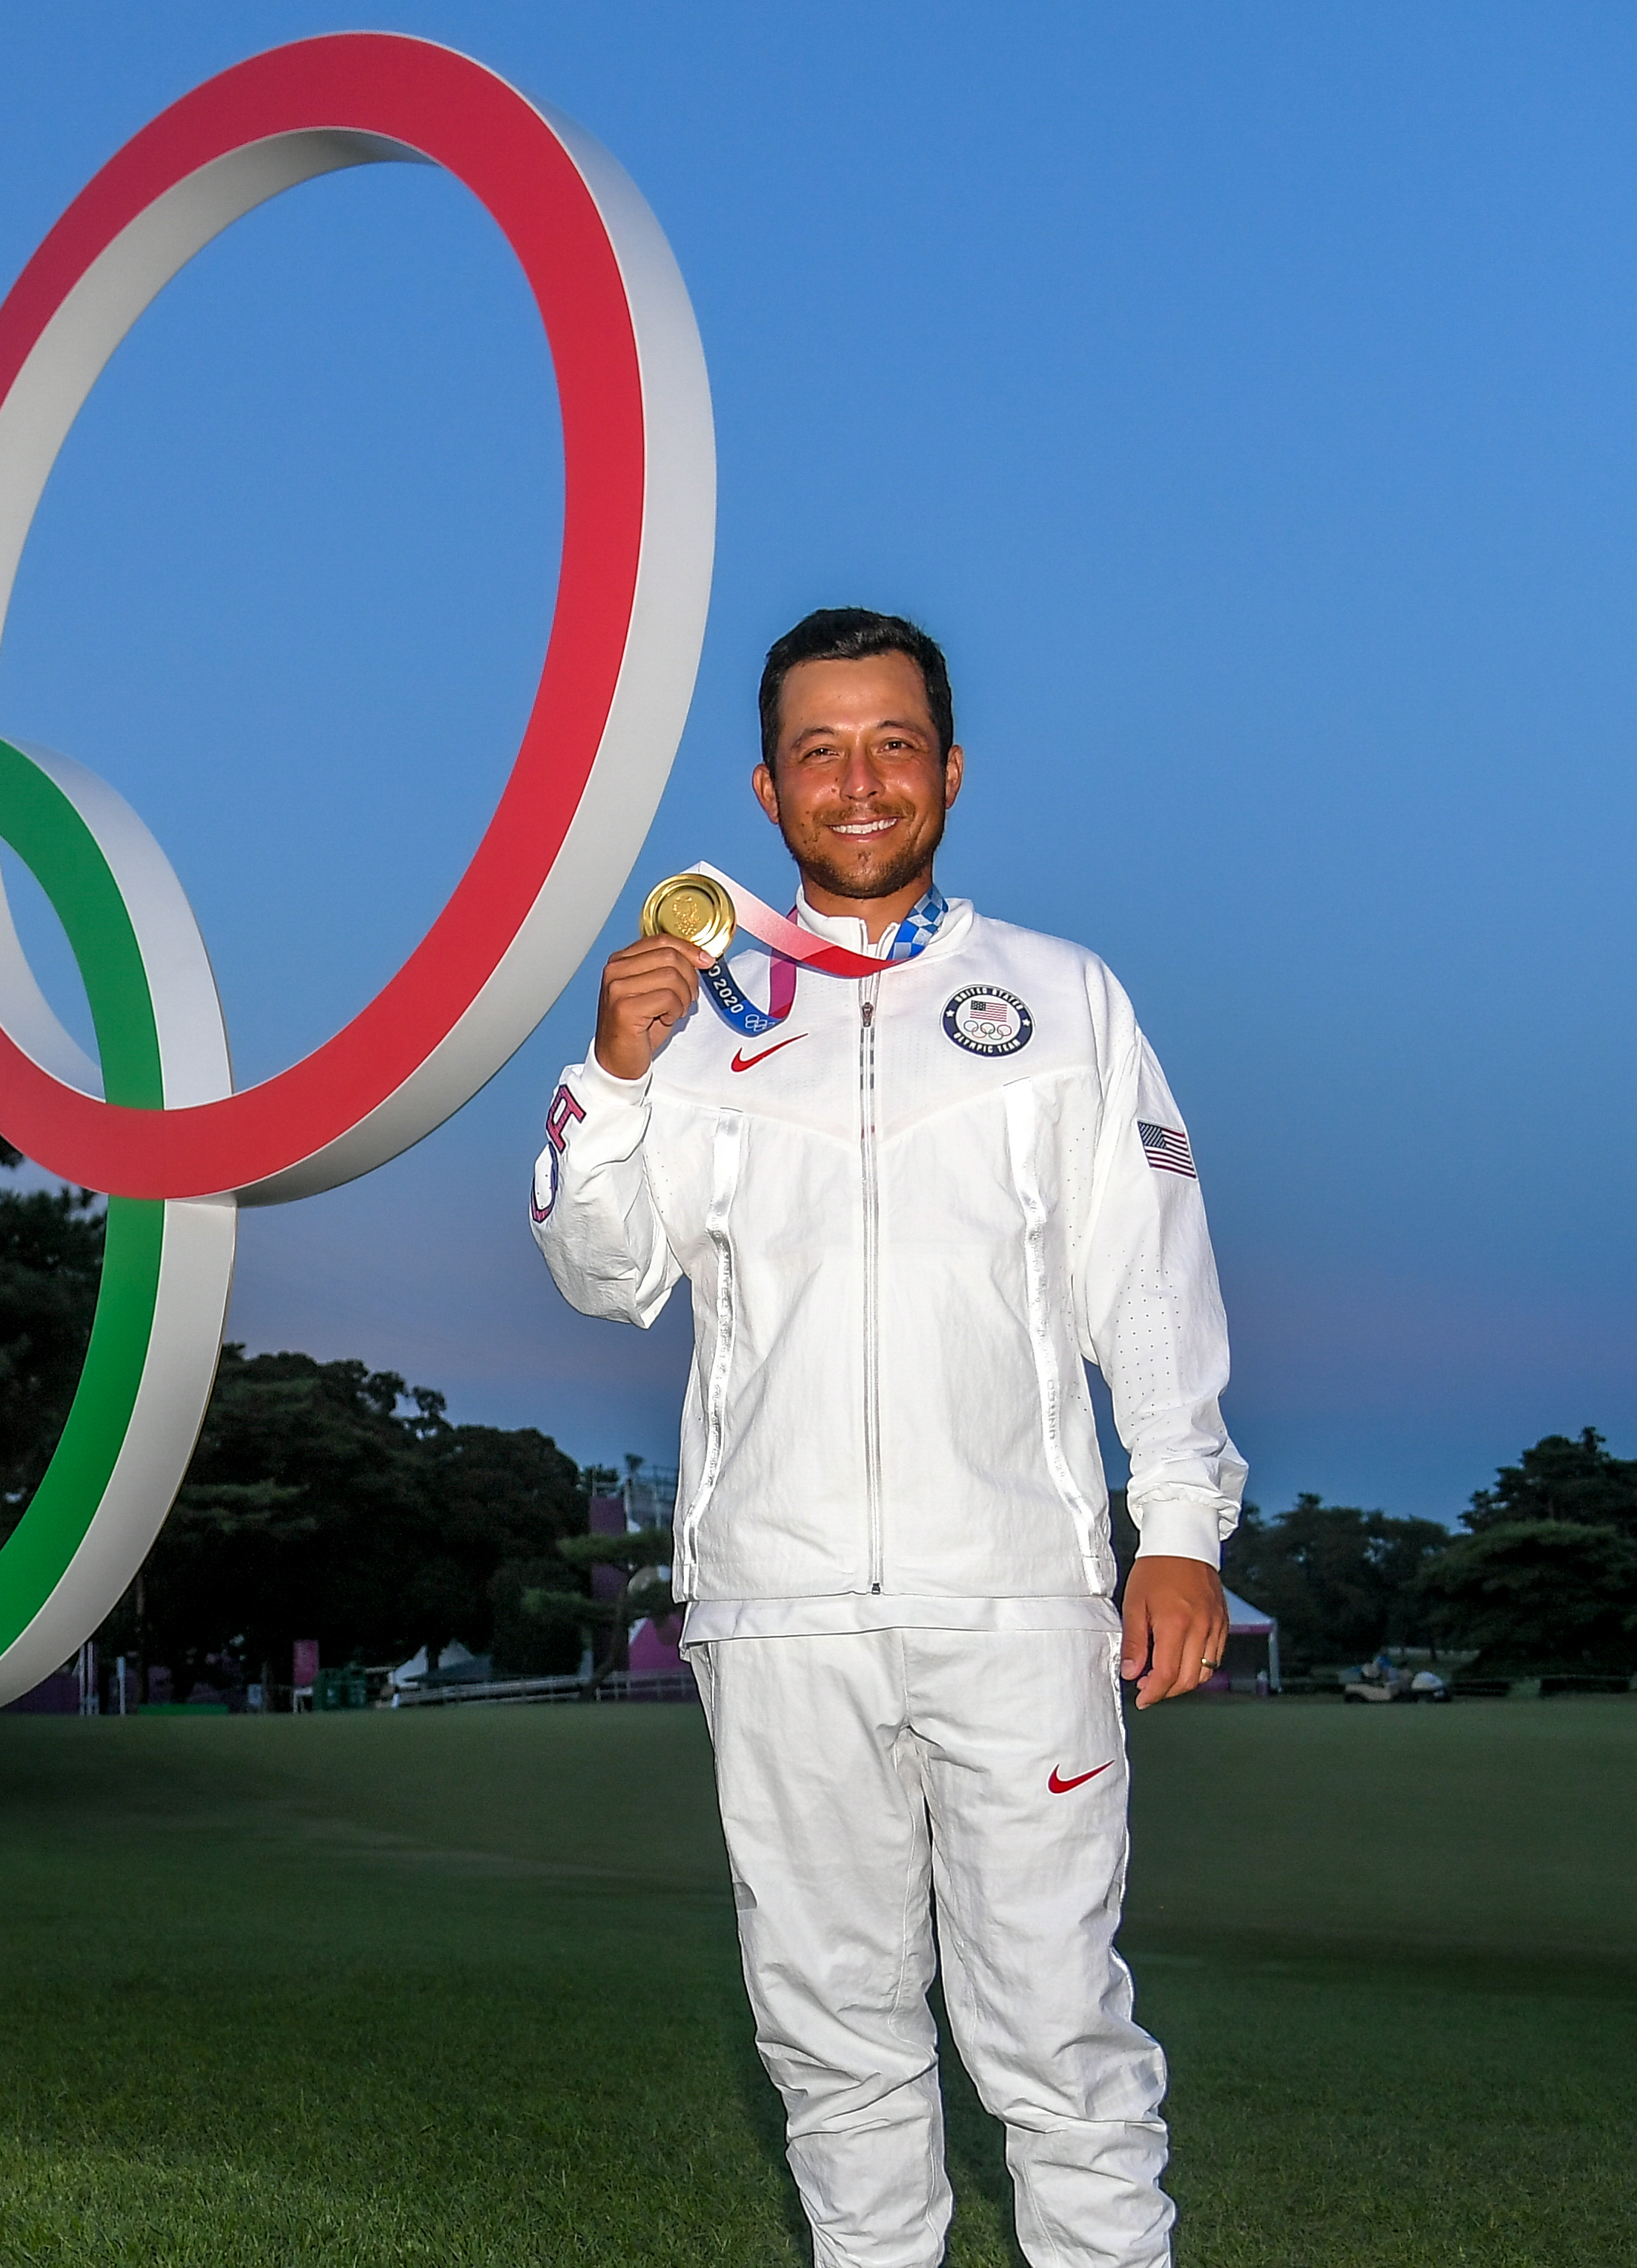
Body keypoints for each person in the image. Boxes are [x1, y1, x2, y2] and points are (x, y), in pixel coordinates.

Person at [530, 606, 1243, 2267]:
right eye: (823, 752)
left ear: (950, 770)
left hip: (1016, 1601)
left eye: (895, 744)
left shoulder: (1061, 1000)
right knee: (836, 2042)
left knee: (1057, 2038)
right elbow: (604, 1269)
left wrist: (1184, 1526)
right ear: (768, 790)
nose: (862, 783)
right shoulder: (699, 1013)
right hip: (777, 1613)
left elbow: (1147, 1280)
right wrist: (615, 1073)